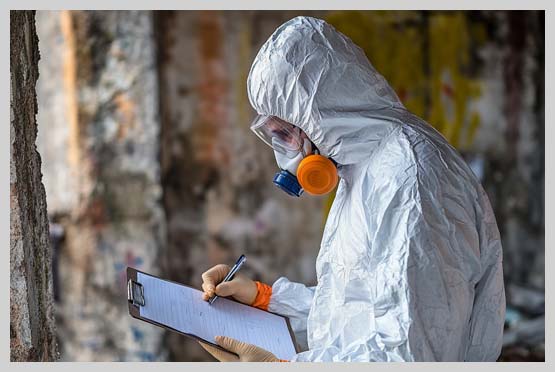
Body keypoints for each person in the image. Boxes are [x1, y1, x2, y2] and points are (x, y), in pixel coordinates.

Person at [198, 16, 506, 362]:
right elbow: (354, 307)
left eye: (285, 133)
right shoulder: (365, 167)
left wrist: (282, 366)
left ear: (320, 112)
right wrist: (265, 299)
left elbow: (412, 353)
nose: (285, 154)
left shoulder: (410, 181)